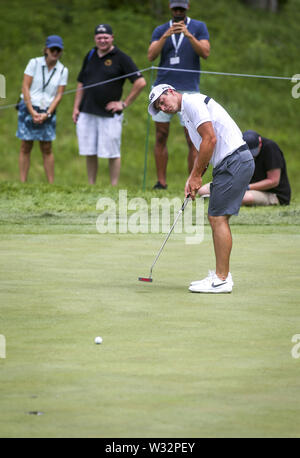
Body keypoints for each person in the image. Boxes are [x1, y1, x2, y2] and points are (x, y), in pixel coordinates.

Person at [148, 84, 255, 293]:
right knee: (217, 216)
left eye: (162, 101)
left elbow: (210, 138)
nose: (163, 107)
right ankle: (220, 275)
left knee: (218, 217)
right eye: (159, 107)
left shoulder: (192, 102)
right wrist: (192, 178)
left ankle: (222, 279)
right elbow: (204, 149)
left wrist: (197, 176)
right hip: (229, 163)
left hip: (234, 160)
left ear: (170, 91)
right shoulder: (187, 114)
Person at [72, 24, 146, 186]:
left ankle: (113, 186)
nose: (102, 40)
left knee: (112, 152)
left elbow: (140, 82)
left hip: (109, 114)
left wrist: (123, 103)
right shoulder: (90, 54)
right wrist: (76, 107)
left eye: (106, 37)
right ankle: (91, 184)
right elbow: (81, 82)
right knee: (89, 150)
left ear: (112, 38)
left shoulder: (121, 57)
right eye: (99, 37)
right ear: (95, 39)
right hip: (87, 111)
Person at [147, 0, 210, 189]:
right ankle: (161, 182)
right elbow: (151, 55)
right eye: (175, 8)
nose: (178, 12)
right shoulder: (160, 30)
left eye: (181, 9)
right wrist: (166, 36)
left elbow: (205, 52)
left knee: (192, 138)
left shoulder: (198, 27)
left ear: (187, 8)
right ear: (170, 8)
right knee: (160, 135)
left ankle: (192, 180)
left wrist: (189, 35)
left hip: (188, 88)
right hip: (162, 89)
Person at [17, 35, 68, 183]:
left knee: (47, 146)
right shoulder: (34, 63)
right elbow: (25, 86)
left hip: (48, 110)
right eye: (53, 49)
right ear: (46, 49)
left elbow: (59, 95)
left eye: (58, 50)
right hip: (28, 107)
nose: (55, 52)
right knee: (26, 144)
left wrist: (48, 113)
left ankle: (51, 183)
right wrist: (32, 111)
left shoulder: (63, 70)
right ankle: (23, 182)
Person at [198, 130, 291, 206]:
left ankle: (220, 199)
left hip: (272, 194)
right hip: (245, 186)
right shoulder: (238, 148)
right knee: (203, 190)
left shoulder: (271, 149)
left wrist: (247, 187)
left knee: (243, 197)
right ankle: (220, 198)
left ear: (260, 143)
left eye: (253, 153)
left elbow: (273, 181)